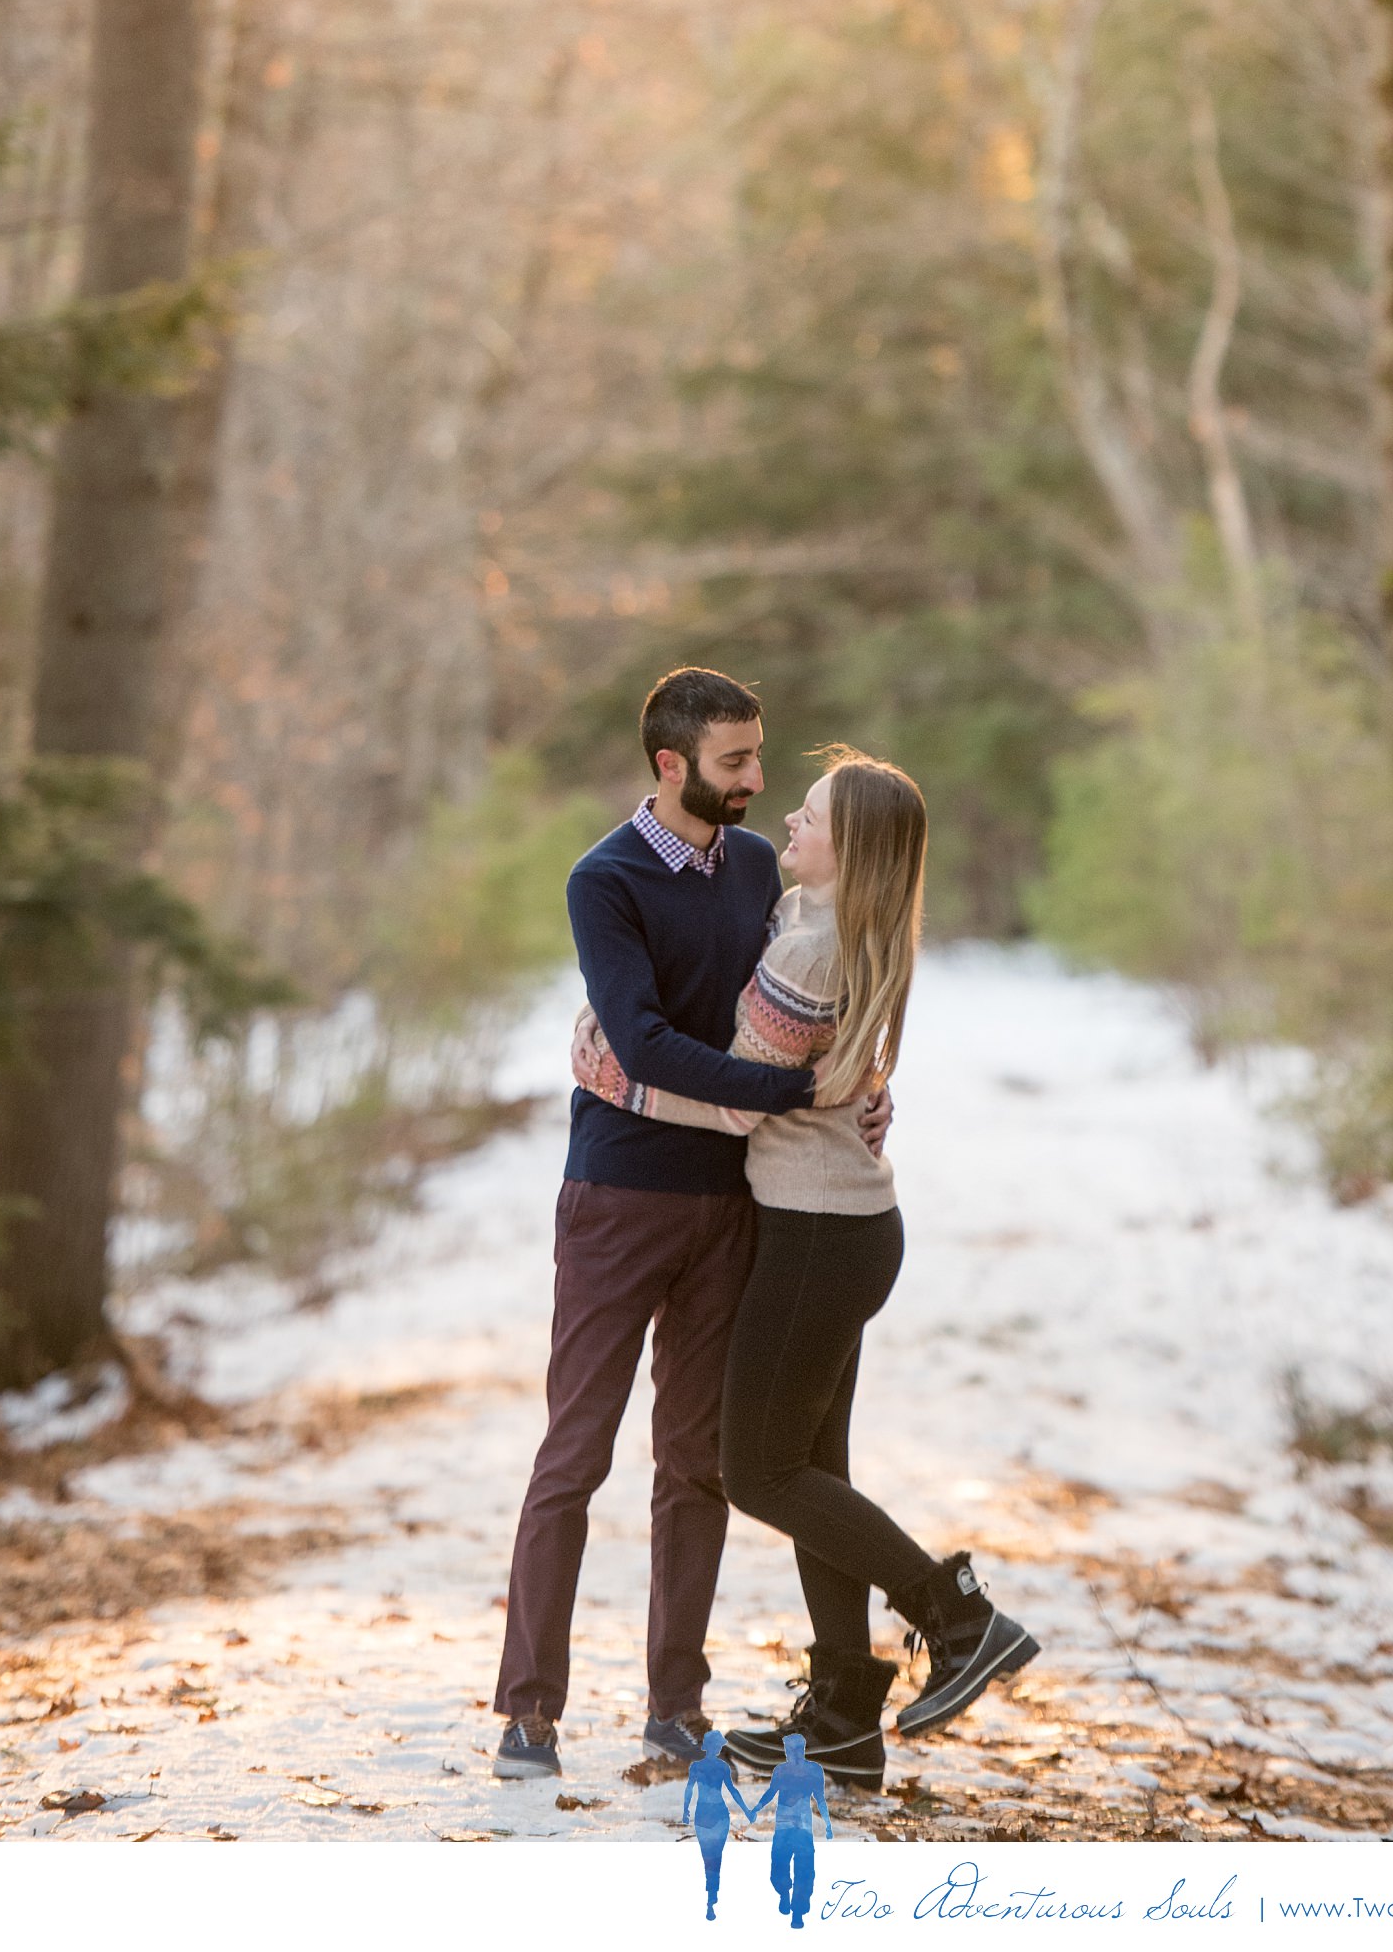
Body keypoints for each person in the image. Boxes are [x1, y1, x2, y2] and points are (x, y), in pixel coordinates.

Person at [572, 748, 1040, 1795]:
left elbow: (746, 1097)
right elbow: (814, 1080)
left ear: (853, 847)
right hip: (837, 1226)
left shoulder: (814, 946)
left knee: (759, 1471)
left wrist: (617, 1074)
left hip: (818, 1235)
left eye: (814, 812)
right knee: (810, 1470)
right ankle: (839, 1716)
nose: (789, 813)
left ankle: (958, 1615)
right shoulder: (823, 922)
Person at [491, 669, 892, 1782]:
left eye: (759, 757)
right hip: (618, 1195)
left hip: (735, 1197)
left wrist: (856, 1077)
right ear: (671, 765)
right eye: (734, 762)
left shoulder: (763, 865)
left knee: (693, 1465)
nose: (757, 780)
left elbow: (805, 1002)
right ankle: (527, 1707)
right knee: (574, 1451)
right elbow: (642, 1037)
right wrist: (791, 1093)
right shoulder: (604, 879)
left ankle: (675, 1701)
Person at [744, 1732, 830, 1930]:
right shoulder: (780, 1771)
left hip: (803, 1829)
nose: (789, 1753)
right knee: (778, 1869)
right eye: (786, 1750)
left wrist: (827, 1823)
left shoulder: (814, 1771)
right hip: (783, 1826)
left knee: (805, 1871)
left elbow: (820, 1799)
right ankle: (784, 1893)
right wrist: (756, 1808)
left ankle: (798, 1912)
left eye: (791, 1750)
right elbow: (771, 1793)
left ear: (801, 1749)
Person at [682, 1727, 752, 1920]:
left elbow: (732, 1790)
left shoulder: (722, 1767)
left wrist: (746, 1810)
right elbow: (689, 1790)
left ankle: (713, 1900)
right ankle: (708, 1898)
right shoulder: (697, 1767)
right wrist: (685, 1809)